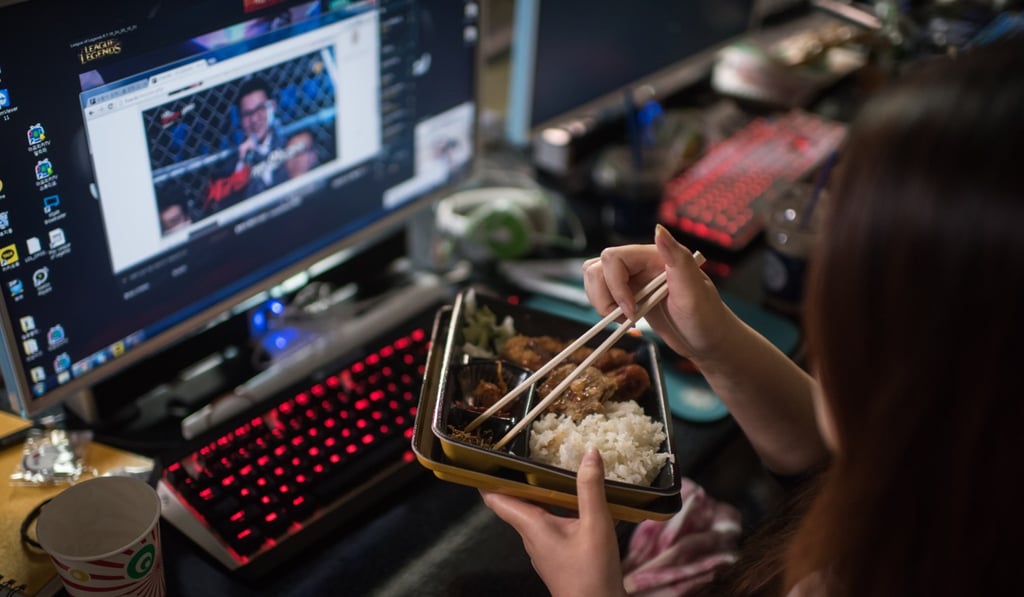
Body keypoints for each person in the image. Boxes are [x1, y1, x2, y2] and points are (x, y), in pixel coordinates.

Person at [481, 40, 1024, 597]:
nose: (824, 300)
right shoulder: (958, 492)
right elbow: (829, 467)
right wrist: (712, 340)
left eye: (845, 269)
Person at [233, 75, 288, 196]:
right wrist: (243, 163)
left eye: (260, 108)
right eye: (247, 114)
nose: (254, 119)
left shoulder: (289, 141)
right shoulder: (234, 163)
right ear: (240, 118)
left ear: (272, 107)